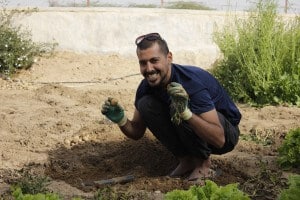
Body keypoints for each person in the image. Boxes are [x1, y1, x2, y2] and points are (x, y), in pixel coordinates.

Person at [101, 32, 241, 182]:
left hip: (224, 133)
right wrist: (121, 120)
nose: (149, 69)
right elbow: (136, 132)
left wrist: (186, 114)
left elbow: (219, 139)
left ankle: (203, 164)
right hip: (195, 131)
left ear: (169, 57)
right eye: (143, 63)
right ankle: (186, 160)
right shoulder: (145, 87)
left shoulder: (191, 82)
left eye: (154, 60)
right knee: (145, 104)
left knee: (177, 107)